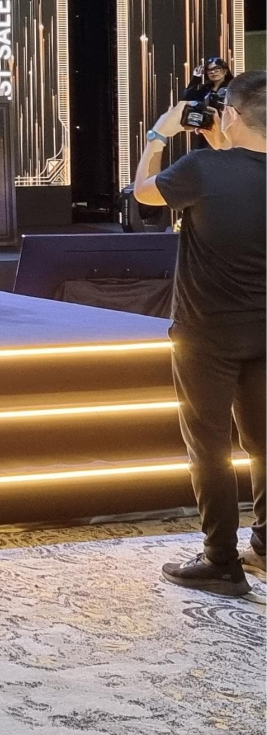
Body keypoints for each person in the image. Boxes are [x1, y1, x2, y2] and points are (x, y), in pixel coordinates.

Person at [132, 68, 265, 596]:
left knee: (208, 445)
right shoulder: (214, 163)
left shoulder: (203, 169)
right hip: (264, 328)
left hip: (206, 332)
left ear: (230, 113)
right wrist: (221, 144)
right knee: (263, 442)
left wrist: (157, 136)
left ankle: (220, 561)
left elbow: (143, 193)